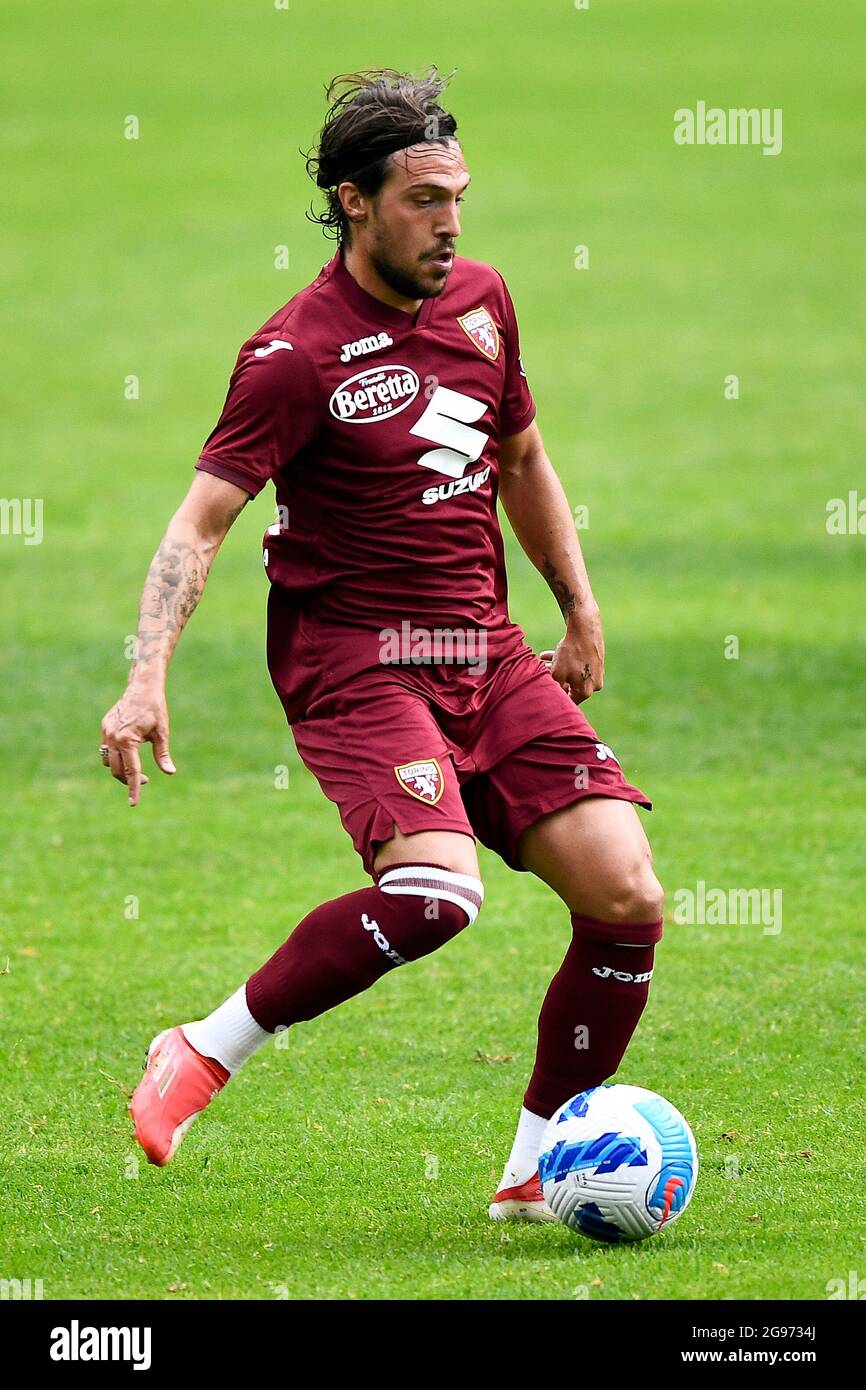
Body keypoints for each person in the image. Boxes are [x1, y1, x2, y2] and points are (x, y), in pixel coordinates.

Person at [100, 68, 663, 1221]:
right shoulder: (292, 356)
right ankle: (201, 1051)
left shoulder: (484, 302)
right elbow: (200, 524)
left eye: (457, 197)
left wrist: (580, 606)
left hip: (486, 651)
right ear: (352, 200)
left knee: (624, 895)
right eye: (421, 201)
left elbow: (520, 460)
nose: (449, 223)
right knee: (434, 896)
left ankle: (531, 1165)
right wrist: (144, 673)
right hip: (352, 660)